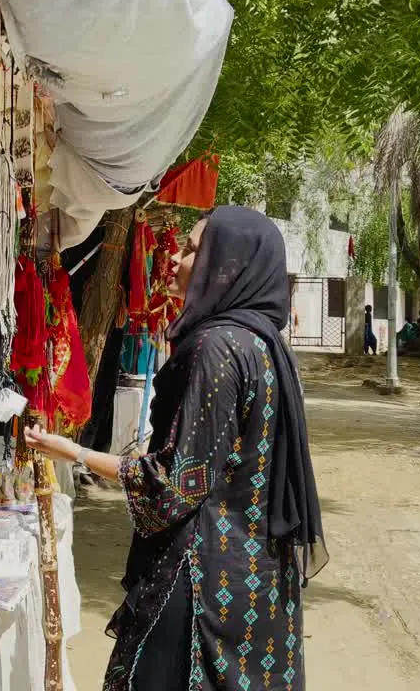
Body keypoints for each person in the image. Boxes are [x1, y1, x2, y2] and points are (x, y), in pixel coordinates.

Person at [25, 206, 326, 691]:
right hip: (258, 582)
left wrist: (73, 452)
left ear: (228, 266)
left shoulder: (215, 348)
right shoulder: (264, 346)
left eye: (190, 250)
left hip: (201, 585)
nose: (175, 260)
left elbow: (174, 484)